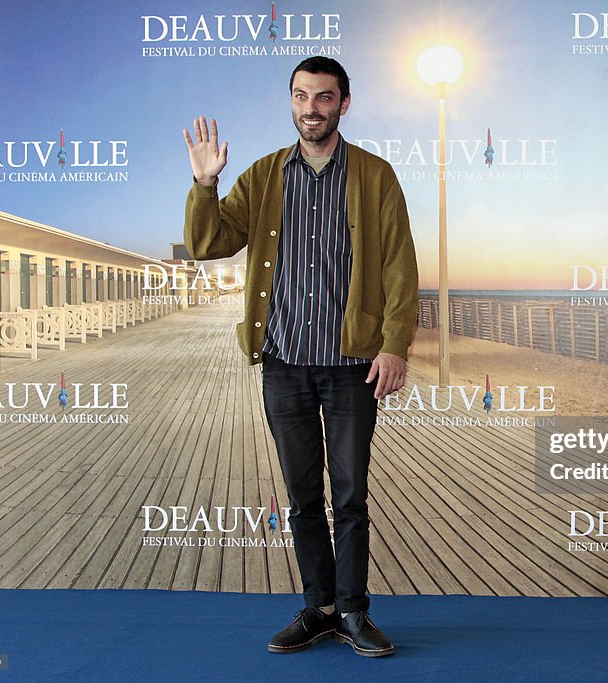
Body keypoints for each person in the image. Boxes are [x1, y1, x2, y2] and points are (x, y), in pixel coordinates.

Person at [182, 56, 418, 658]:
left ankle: (355, 613)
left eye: (324, 97)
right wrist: (205, 184)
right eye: (301, 96)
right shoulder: (264, 176)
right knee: (302, 495)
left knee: (349, 493)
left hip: (350, 365)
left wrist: (393, 344)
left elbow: (398, 266)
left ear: (343, 103)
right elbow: (210, 243)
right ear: (291, 101)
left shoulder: (374, 175)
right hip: (284, 361)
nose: (310, 108)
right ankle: (318, 609)